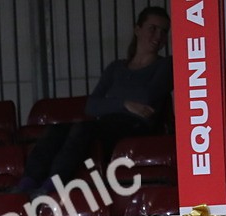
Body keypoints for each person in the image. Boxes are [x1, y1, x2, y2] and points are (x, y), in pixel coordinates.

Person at [16, 6, 173, 197]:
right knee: (55, 130)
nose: (158, 35)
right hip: (108, 124)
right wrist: (125, 104)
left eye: (164, 31)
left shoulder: (166, 65)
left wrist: (112, 101)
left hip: (136, 128)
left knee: (83, 129)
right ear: (137, 29)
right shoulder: (116, 67)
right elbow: (92, 105)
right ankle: (27, 182)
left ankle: (52, 186)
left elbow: (147, 96)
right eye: (153, 28)